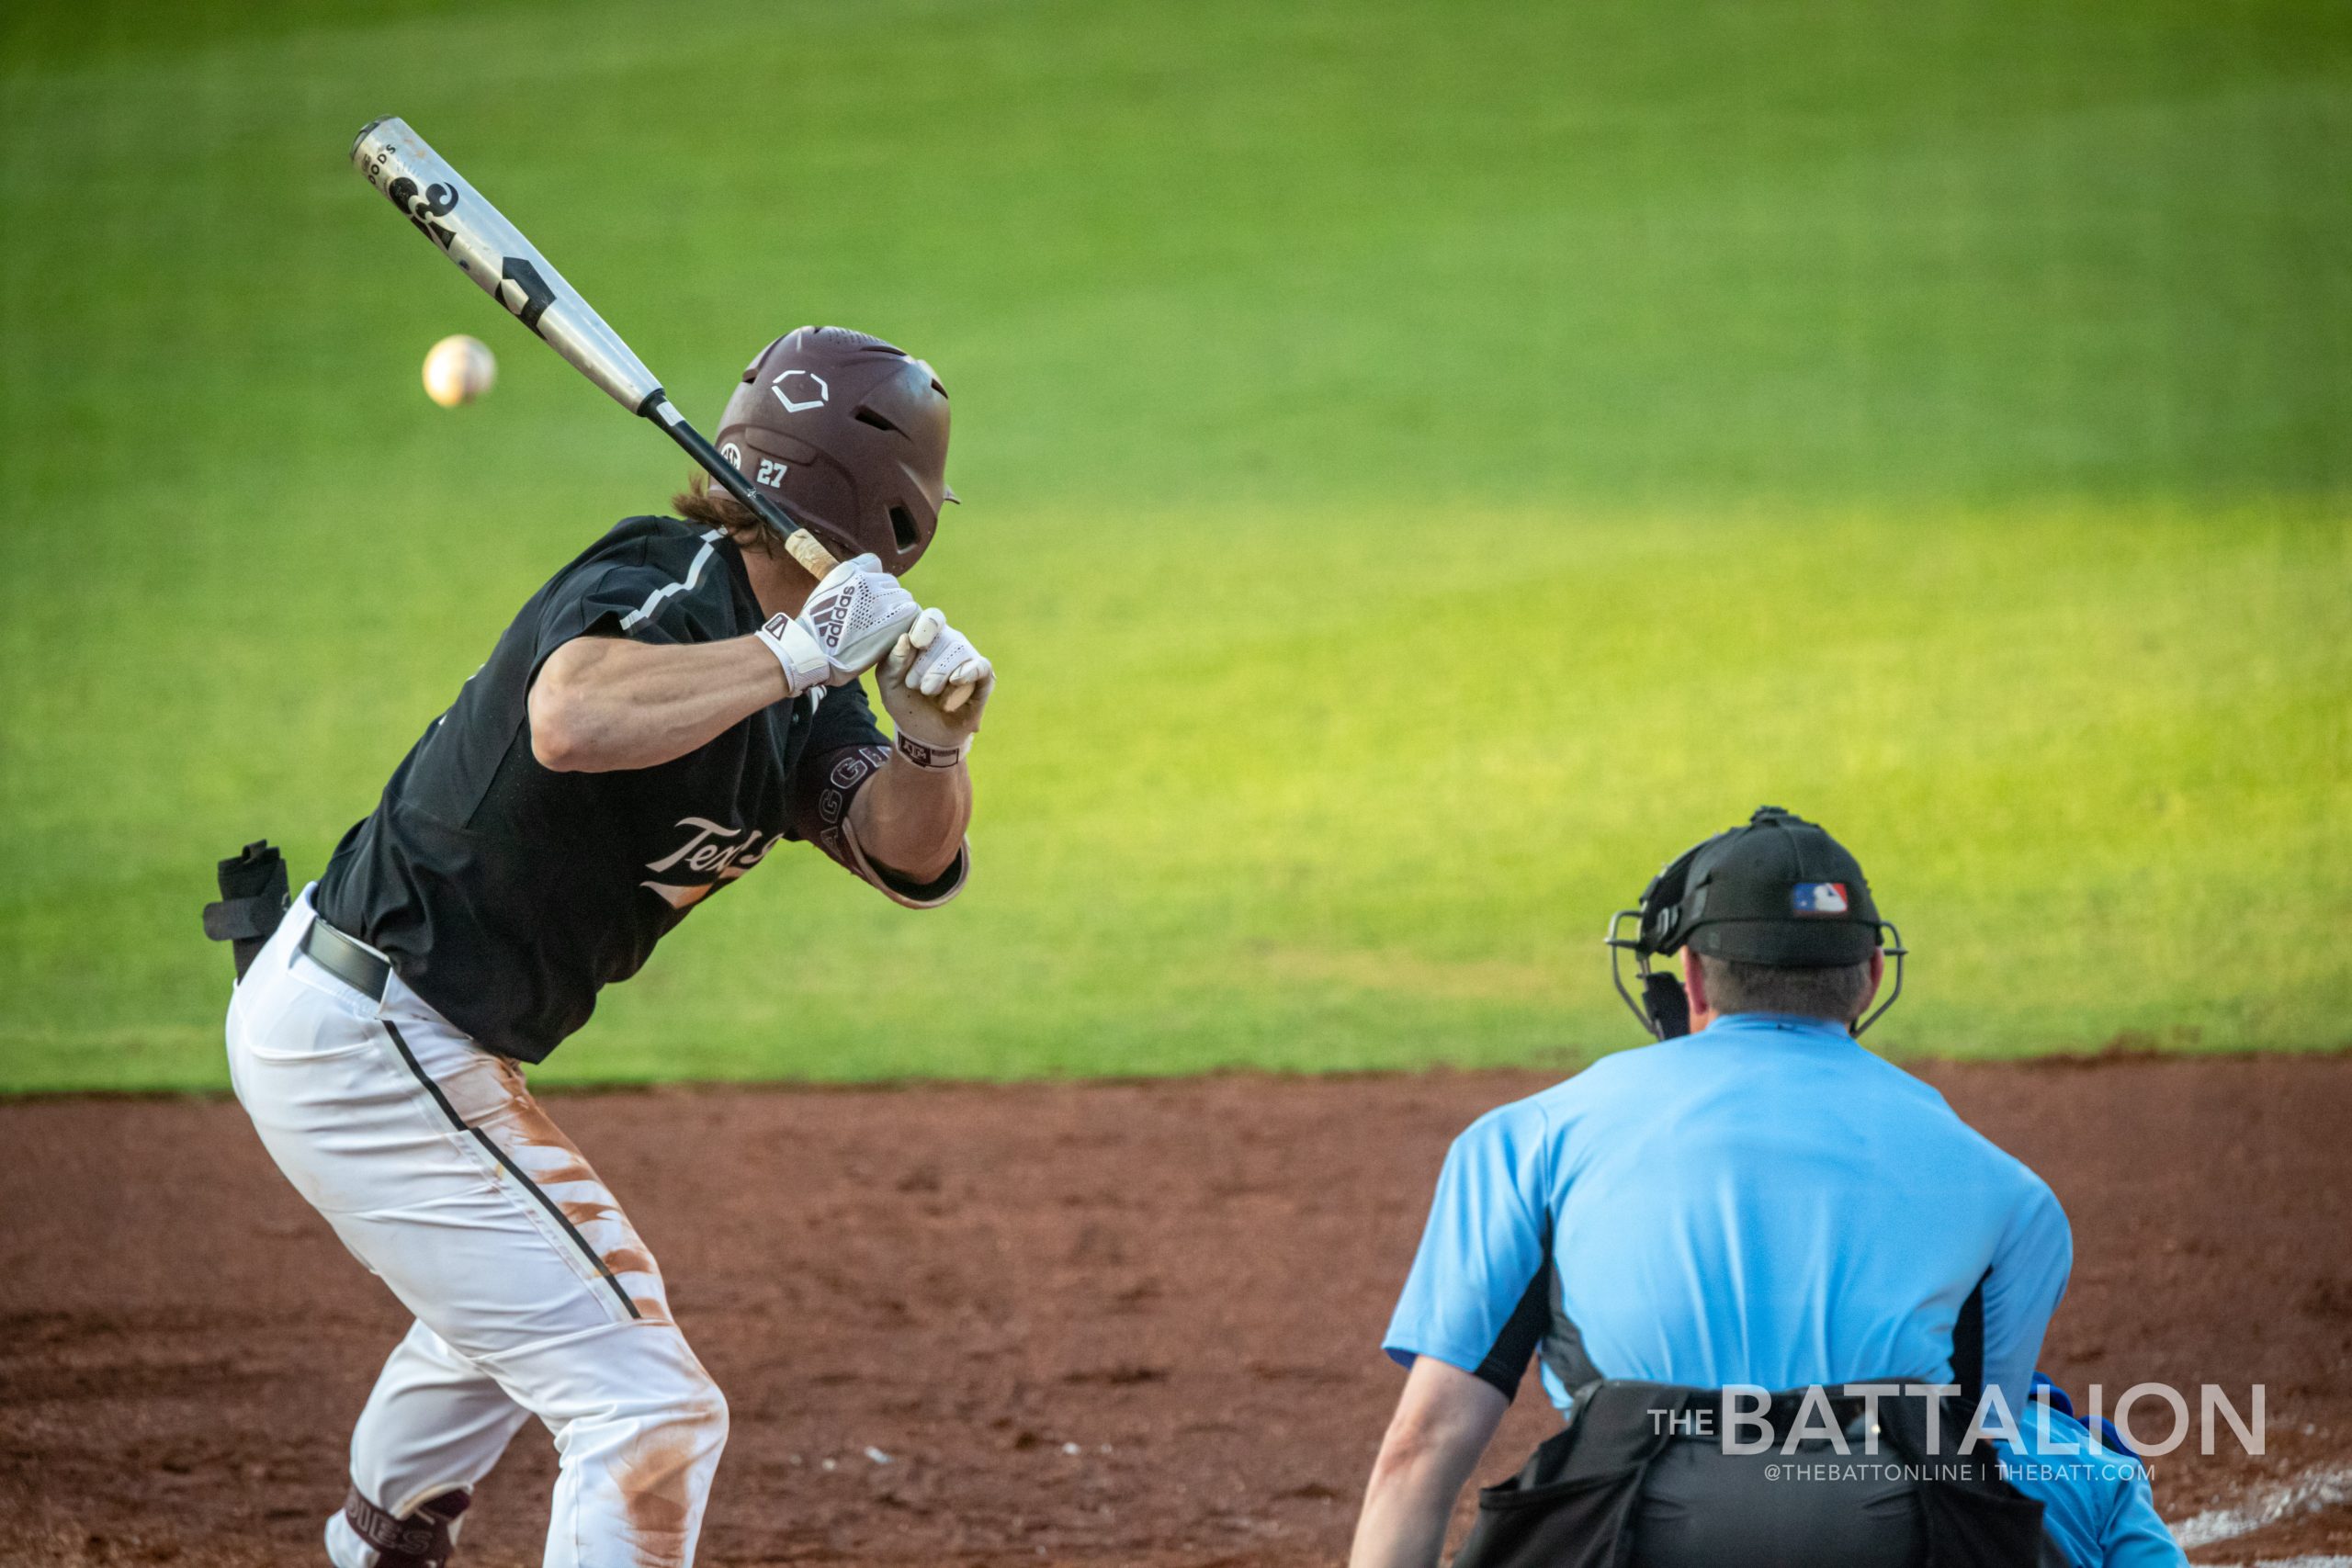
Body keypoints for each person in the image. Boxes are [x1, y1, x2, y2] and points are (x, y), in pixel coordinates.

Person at [220, 327, 987, 1568]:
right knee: (648, 1401)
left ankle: (379, 1538)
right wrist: (790, 651)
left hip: (413, 1042)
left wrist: (930, 743)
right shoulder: (666, 577)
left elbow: (907, 856)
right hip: (368, 1029)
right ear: (900, 514)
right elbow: (569, 714)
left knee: (524, 1304)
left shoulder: (809, 693)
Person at [1349, 807, 2077, 1568]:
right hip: (1885, 1525)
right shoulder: (2011, 1191)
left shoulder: (1526, 1138)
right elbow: (1975, 1449)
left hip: (1629, 1528)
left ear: (1691, 976)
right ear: (1870, 976)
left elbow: (1420, 1447)